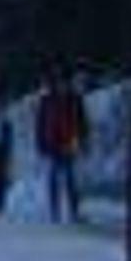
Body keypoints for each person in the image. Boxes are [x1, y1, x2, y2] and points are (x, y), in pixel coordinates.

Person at [35, 78, 87, 223]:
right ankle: (55, 211)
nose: (62, 85)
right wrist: (41, 144)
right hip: (52, 143)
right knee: (54, 178)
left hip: (70, 142)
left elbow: (82, 121)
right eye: (59, 83)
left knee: (72, 178)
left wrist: (82, 139)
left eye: (64, 82)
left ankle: (74, 210)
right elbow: (40, 123)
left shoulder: (75, 99)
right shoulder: (46, 100)